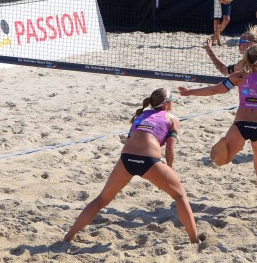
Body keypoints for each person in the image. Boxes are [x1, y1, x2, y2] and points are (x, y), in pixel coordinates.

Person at [63, 88, 200, 245]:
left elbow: (130, 139)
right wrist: (170, 168)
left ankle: (69, 236)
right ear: (168, 104)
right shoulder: (172, 119)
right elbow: (170, 149)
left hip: (126, 159)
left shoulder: (140, 115)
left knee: (101, 199)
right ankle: (194, 240)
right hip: (149, 161)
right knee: (180, 196)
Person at [178, 42, 257, 212]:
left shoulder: (239, 76)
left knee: (221, 159)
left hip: (240, 124)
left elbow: (215, 90)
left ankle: (224, 144)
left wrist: (190, 92)